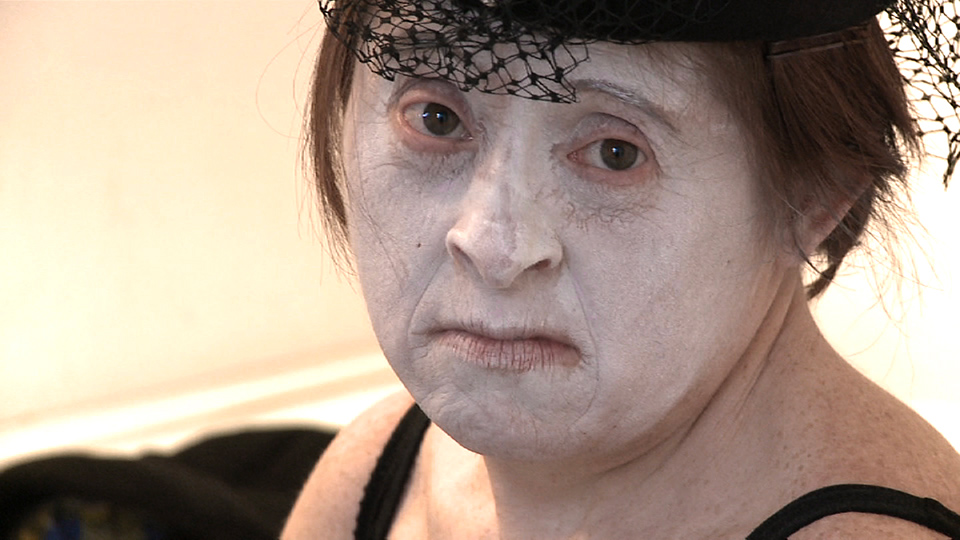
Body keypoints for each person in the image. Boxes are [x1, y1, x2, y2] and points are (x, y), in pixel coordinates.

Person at [282, 0, 960, 538]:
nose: (492, 246)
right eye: (437, 119)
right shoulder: (380, 468)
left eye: (615, 152)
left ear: (813, 200)